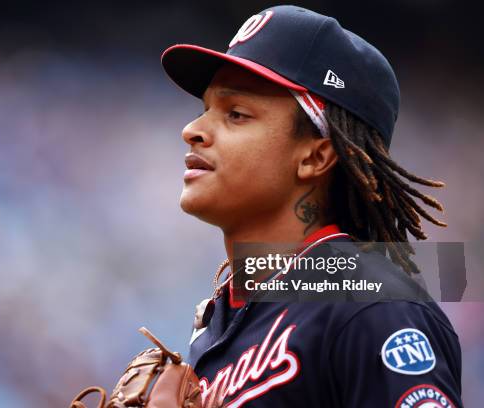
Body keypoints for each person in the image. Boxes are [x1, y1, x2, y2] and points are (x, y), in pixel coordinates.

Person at [160, 5, 462, 408]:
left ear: (315, 157)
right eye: (204, 110)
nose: (192, 130)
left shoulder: (372, 307)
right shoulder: (224, 315)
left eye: (236, 114)